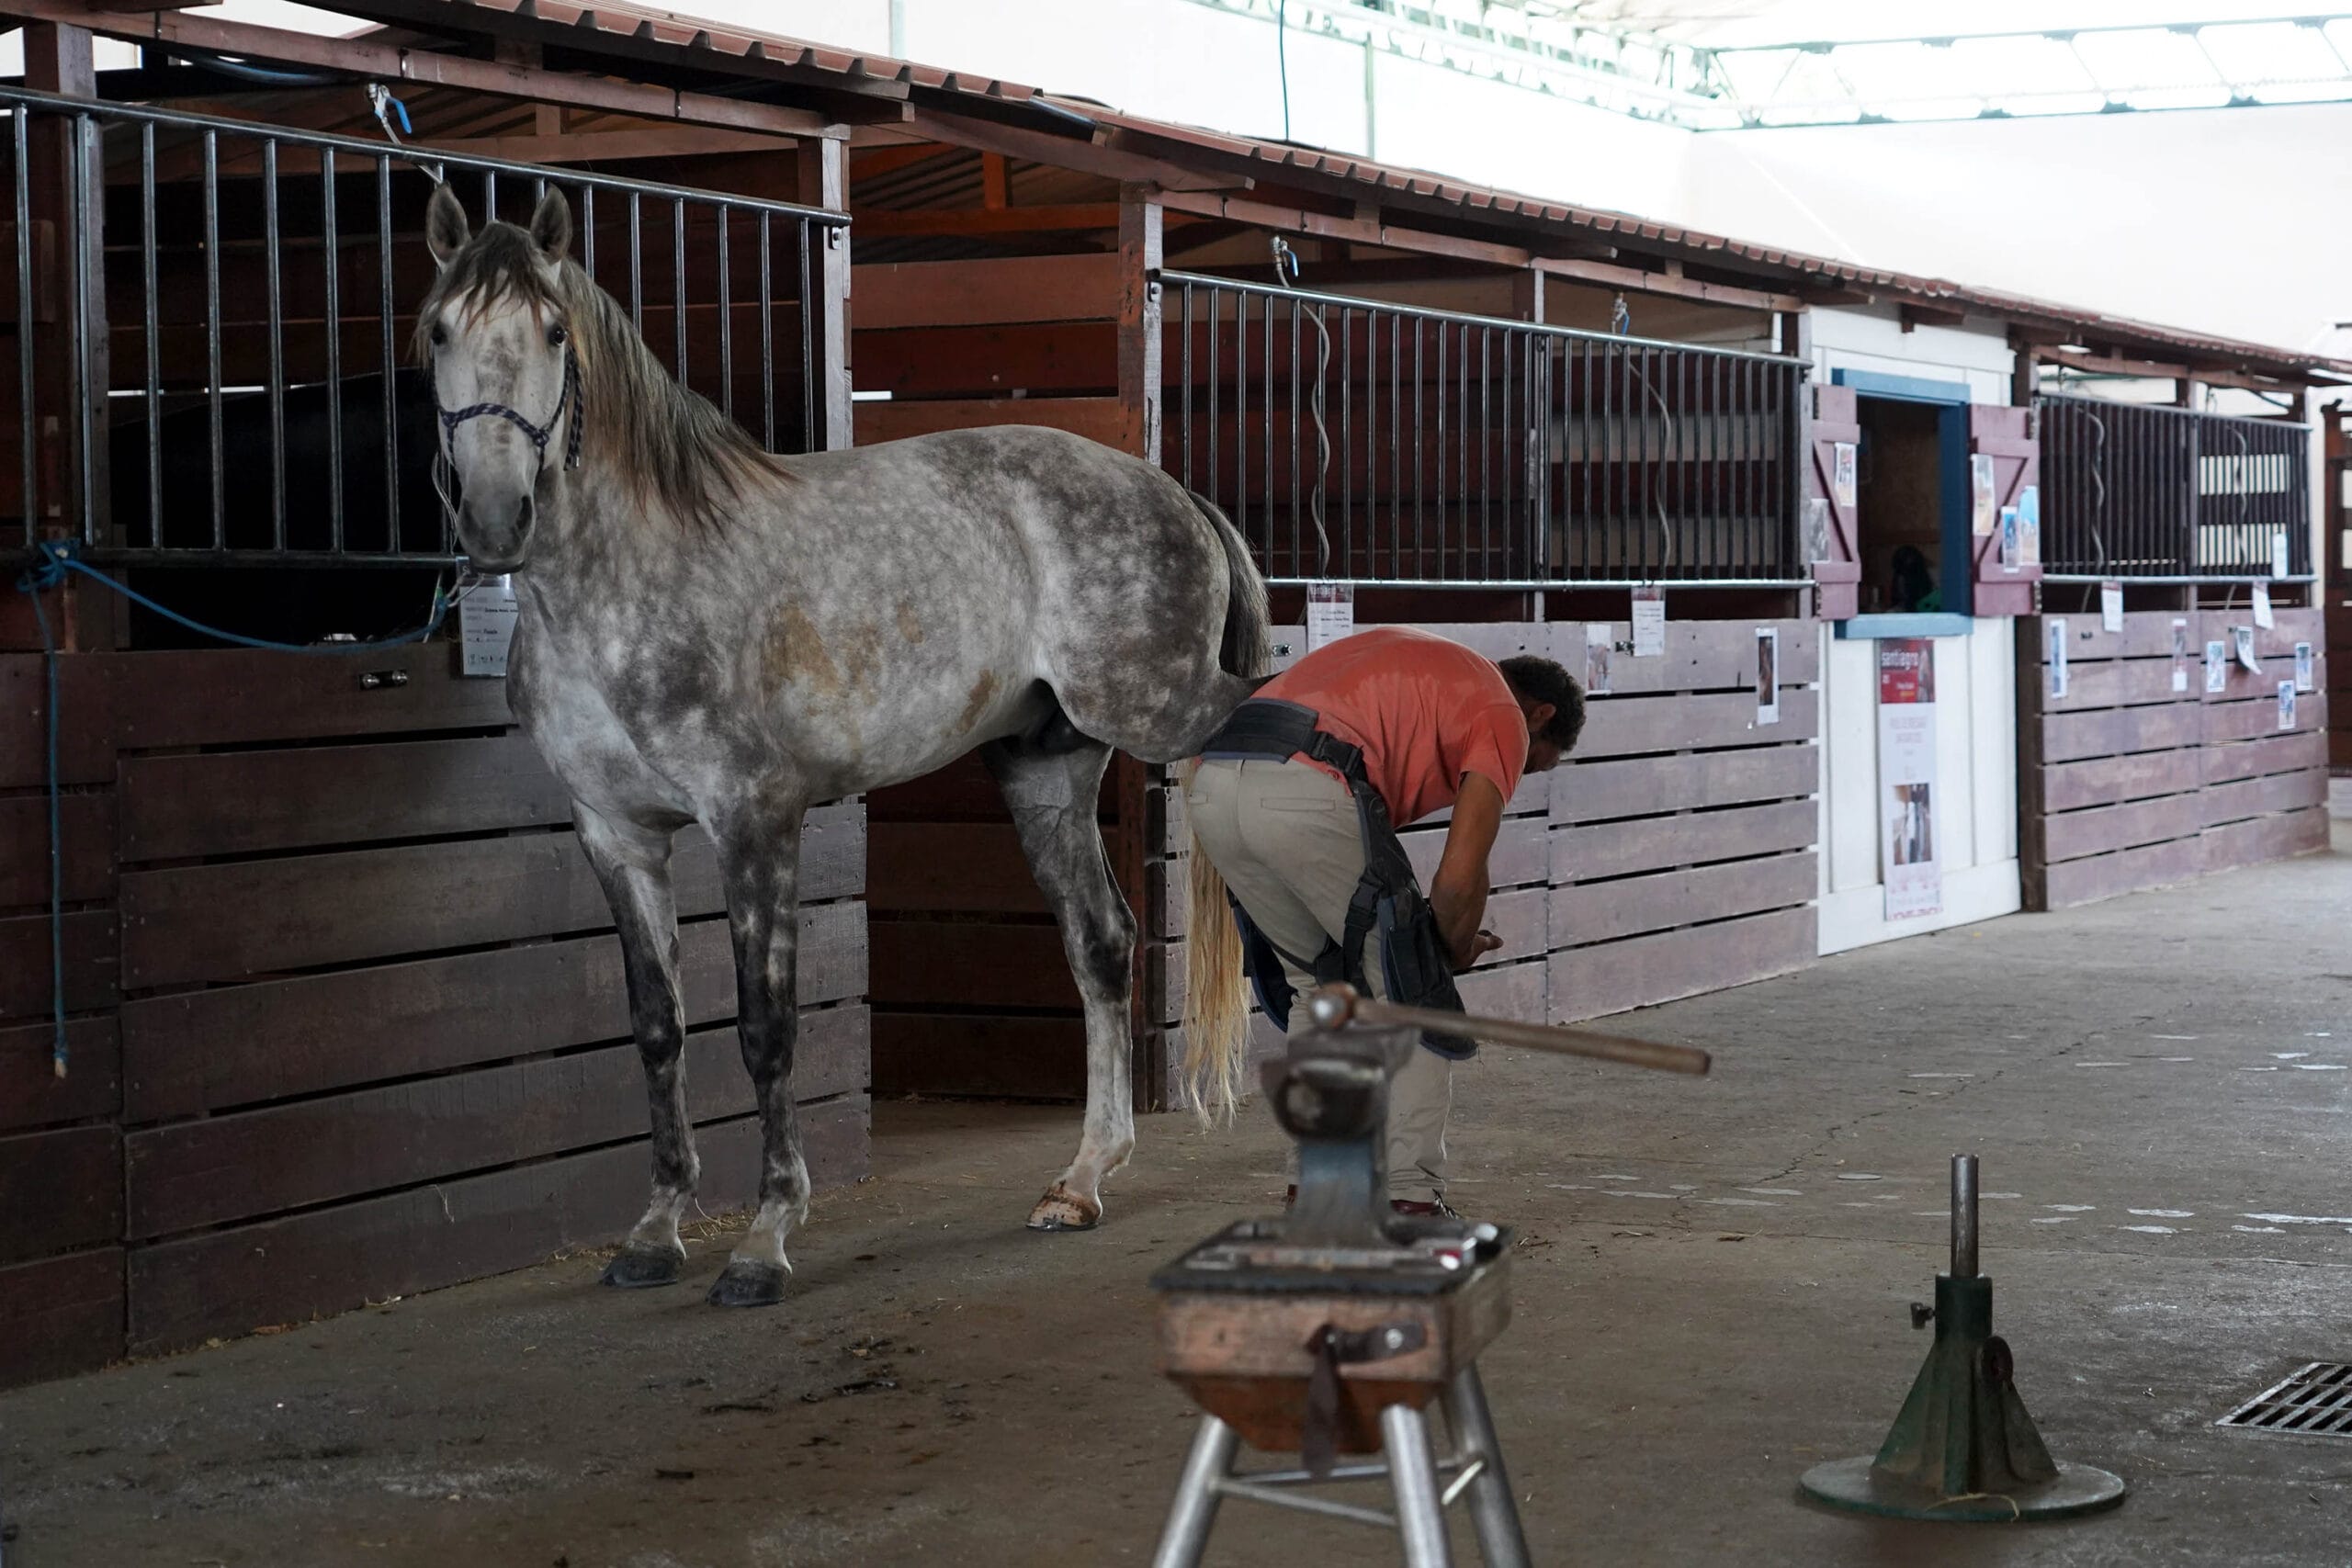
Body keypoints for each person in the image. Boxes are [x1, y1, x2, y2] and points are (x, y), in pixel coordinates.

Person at [1181, 625, 1586, 1214]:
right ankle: (1409, 1199)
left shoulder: (1427, 667)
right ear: (1540, 714)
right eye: (1531, 766)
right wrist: (1449, 950)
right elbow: (1459, 877)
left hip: (1213, 787)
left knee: (1318, 989)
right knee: (1413, 992)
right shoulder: (1503, 713)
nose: (1515, 774)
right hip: (1310, 788)